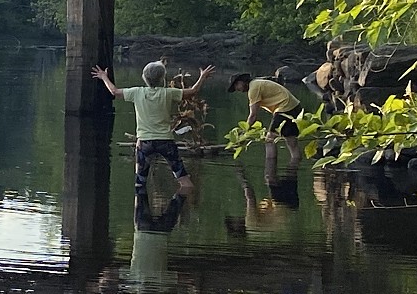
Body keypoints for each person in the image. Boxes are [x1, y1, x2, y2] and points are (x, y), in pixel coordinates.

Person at [93, 61, 216, 194]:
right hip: (166, 142)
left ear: (144, 77)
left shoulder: (137, 92)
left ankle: (140, 209)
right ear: (162, 78)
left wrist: (104, 76)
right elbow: (193, 91)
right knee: (185, 182)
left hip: (144, 143)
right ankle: (179, 203)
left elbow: (114, 91)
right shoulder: (168, 93)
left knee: (140, 183)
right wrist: (202, 76)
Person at [228, 71, 304, 163]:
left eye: (236, 85)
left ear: (242, 81)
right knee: (291, 140)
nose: (237, 89)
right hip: (295, 106)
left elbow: (253, 115)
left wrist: (243, 135)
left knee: (269, 139)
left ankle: (270, 169)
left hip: (285, 107)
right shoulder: (257, 84)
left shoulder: (253, 89)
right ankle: (294, 166)